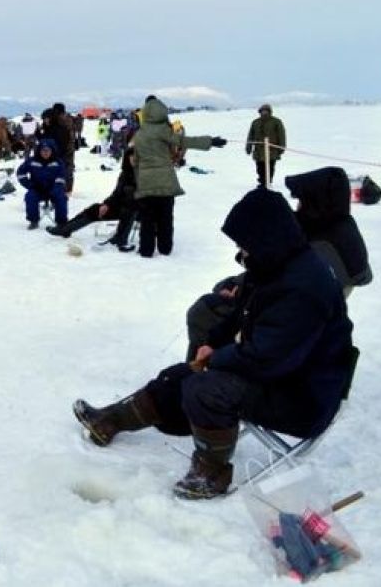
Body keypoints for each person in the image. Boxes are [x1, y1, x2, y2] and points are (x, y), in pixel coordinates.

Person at [73, 188, 356, 499]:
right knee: (178, 375)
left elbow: (267, 358)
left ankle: (211, 474)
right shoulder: (273, 267)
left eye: (244, 244)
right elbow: (238, 317)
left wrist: (217, 359)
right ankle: (110, 420)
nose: (241, 252)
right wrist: (212, 345)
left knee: (207, 389)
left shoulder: (304, 287)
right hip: (279, 376)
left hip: (303, 396)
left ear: (265, 238)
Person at [183, 166, 372, 364]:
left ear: (317, 203)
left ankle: (198, 366)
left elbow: (286, 286)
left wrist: (241, 293)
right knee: (223, 289)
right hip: (284, 306)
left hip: (283, 319)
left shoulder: (324, 247)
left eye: (302, 202)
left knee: (204, 311)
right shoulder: (334, 224)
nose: (298, 207)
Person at [132, 96, 226, 257]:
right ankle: (165, 248)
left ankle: (146, 250)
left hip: (146, 183)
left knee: (147, 219)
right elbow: (184, 141)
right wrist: (210, 141)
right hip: (166, 181)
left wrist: (139, 182)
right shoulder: (164, 130)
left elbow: (136, 161)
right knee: (165, 218)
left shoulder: (139, 134)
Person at [46, 147, 137, 251]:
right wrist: (106, 204)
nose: (134, 158)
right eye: (131, 156)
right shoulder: (125, 174)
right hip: (121, 206)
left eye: (136, 156)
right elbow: (116, 194)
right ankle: (65, 229)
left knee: (130, 209)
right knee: (95, 209)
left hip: (140, 210)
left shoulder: (145, 173)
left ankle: (120, 239)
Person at [17, 139, 67, 230]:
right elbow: (21, 173)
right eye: (43, 150)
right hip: (37, 188)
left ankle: (61, 222)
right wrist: (30, 185)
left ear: (52, 151)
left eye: (48, 150)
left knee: (61, 197)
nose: (45, 153)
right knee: (30, 197)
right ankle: (33, 221)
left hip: (54, 189)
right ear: (39, 150)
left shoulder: (58, 162)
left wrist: (56, 187)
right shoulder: (32, 161)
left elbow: (62, 177)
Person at [246, 103, 287, 185]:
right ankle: (262, 181)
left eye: (266, 111)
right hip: (258, 150)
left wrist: (281, 147)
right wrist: (248, 147)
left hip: (272, 150)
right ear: (260, 112)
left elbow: (281, 135)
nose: (264, 113)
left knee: (270, 167)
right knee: (259, 167)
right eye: (263, 111)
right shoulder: (255, 122)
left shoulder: (276, 121)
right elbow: (250, 135)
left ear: (270, 112)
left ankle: (268, 182)